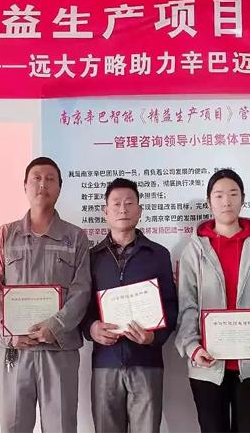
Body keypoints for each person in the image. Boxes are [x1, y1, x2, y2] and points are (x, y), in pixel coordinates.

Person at [175, 169, 250, 433]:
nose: (226, 201)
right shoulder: (194, 251)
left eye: (233, 194)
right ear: (209, 202)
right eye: (218, 195)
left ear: (243, 199)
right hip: (206, 363)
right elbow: (187, 304)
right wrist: (192, 347)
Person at [0, 157, 91, 433]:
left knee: (61, 426)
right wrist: (9, 332)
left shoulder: (76, 237)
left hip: (59, 348)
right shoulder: (5, 235)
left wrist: (56, 326)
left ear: (59, 188)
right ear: (25, 186)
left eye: (50, 179)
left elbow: (81, 290)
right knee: (13, 425)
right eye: (37, 178)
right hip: (15, 349)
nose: (43, 184)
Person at [80, 178, 178, 433]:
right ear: (106, 212)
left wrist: (153, 337)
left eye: (129, 203)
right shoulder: (91, 258)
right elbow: (81, 306)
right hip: (105, 362)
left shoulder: (158, 255)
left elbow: (171, 306)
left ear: (139, 210)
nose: (122, 209)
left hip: (146, 361)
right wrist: (91, 328)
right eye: (116, 204)